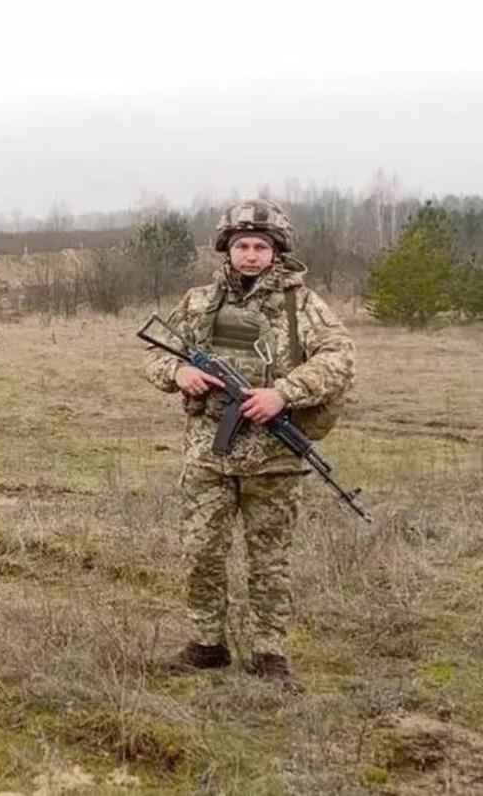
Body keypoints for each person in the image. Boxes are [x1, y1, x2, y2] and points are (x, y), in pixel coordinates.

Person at [143, 198, 355, 691]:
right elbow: (153, 355)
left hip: (274, 459)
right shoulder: (199, 302)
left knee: (270, 560)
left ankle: (269, 653)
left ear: (277, 251)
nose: (252, 255)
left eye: (261, 246)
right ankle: (206, 644)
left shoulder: (303, 305)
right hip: (207, 455)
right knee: (201, 552)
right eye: (243, 245)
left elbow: (340, 359)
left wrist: (283, 393)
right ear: (227, 249)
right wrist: (180, 371)